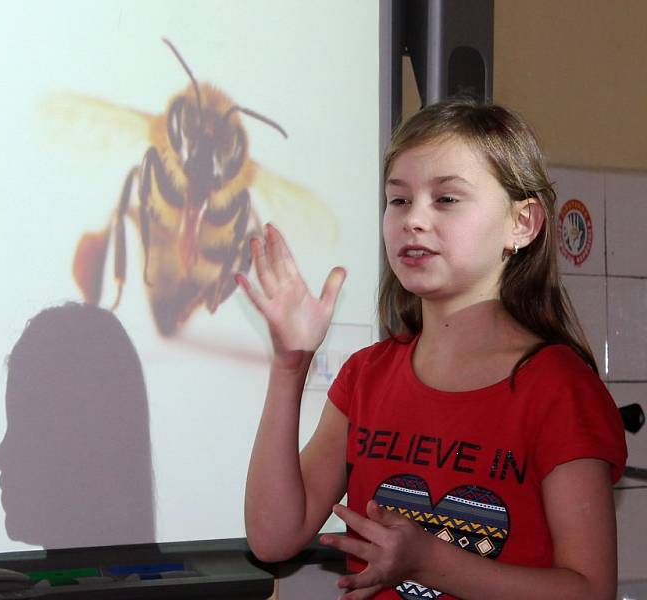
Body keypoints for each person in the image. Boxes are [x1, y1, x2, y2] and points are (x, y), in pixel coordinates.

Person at [238, 100, 627, 600]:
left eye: (445, 199)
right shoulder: (366, 376)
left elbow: (590, 591)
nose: (413, 219)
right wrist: (290, 365)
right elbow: (272, 539)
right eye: (398, 200)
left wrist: (430, 561)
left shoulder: (559, 388)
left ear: (522, 224)